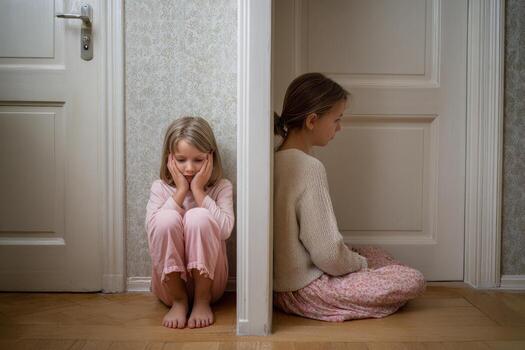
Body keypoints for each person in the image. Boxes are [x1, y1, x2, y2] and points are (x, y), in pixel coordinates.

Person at [273, 72, 426, 322]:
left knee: (373, 253)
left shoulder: (275, 159)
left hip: (281, 288)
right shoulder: (310, 167)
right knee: (412, 279)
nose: (339, 127)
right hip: (306, 290)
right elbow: (328, 256)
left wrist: (358, 260)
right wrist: (359, 265)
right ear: (312, 121)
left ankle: (362, 265)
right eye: (337, 119)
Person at [145, 116, 234, 329]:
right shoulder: (160, 188)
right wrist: (181, 191)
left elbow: (225, 231)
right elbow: (153, 231)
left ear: (210, 158)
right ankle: (179, 300)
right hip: (168, 286)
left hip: (211, 286)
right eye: (181, 159)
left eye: (198, 160)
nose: (189, 168)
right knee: (165, 219)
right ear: (170, 159)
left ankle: (202, 301)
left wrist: (198, 191)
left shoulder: (221, 187)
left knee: (199, 216)